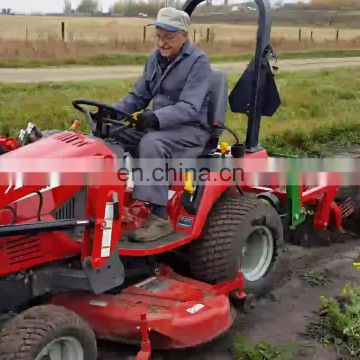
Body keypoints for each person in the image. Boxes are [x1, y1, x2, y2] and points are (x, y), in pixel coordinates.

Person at [114, 7, 213, 242]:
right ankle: (107, 200)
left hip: (191, 129)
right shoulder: (155, 60)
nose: (162, 43)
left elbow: (190, 107)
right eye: (158, 36)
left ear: (184, 36)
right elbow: (137, 96)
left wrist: (156, 118)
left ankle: (159, 218)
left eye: (168, 37)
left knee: (151, 142)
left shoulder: (198, 63)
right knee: (113, 133)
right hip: (160, 125)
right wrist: (109, 114)